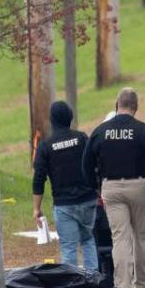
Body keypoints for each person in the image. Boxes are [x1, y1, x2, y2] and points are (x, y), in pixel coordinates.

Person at [83, 88, 145, 288]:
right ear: (136, 106)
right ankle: (142, 285)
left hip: (111, 188)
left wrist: (95, 188)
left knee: (119, 237)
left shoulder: (100, 131)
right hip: (139, 186)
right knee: (141, 236)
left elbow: (86, 164)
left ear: (117, 105)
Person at [32, 101, 98, 271]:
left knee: (69, 247)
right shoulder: (82, 138)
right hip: (88, 200)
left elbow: (39, 178)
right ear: (70, 118)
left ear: (51, 120)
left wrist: (36, 208)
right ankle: (92, 281)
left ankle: (72, 287)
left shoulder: (45, 146)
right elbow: (95, 165)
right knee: (88, 240)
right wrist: (98, 191)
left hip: (64, 205)